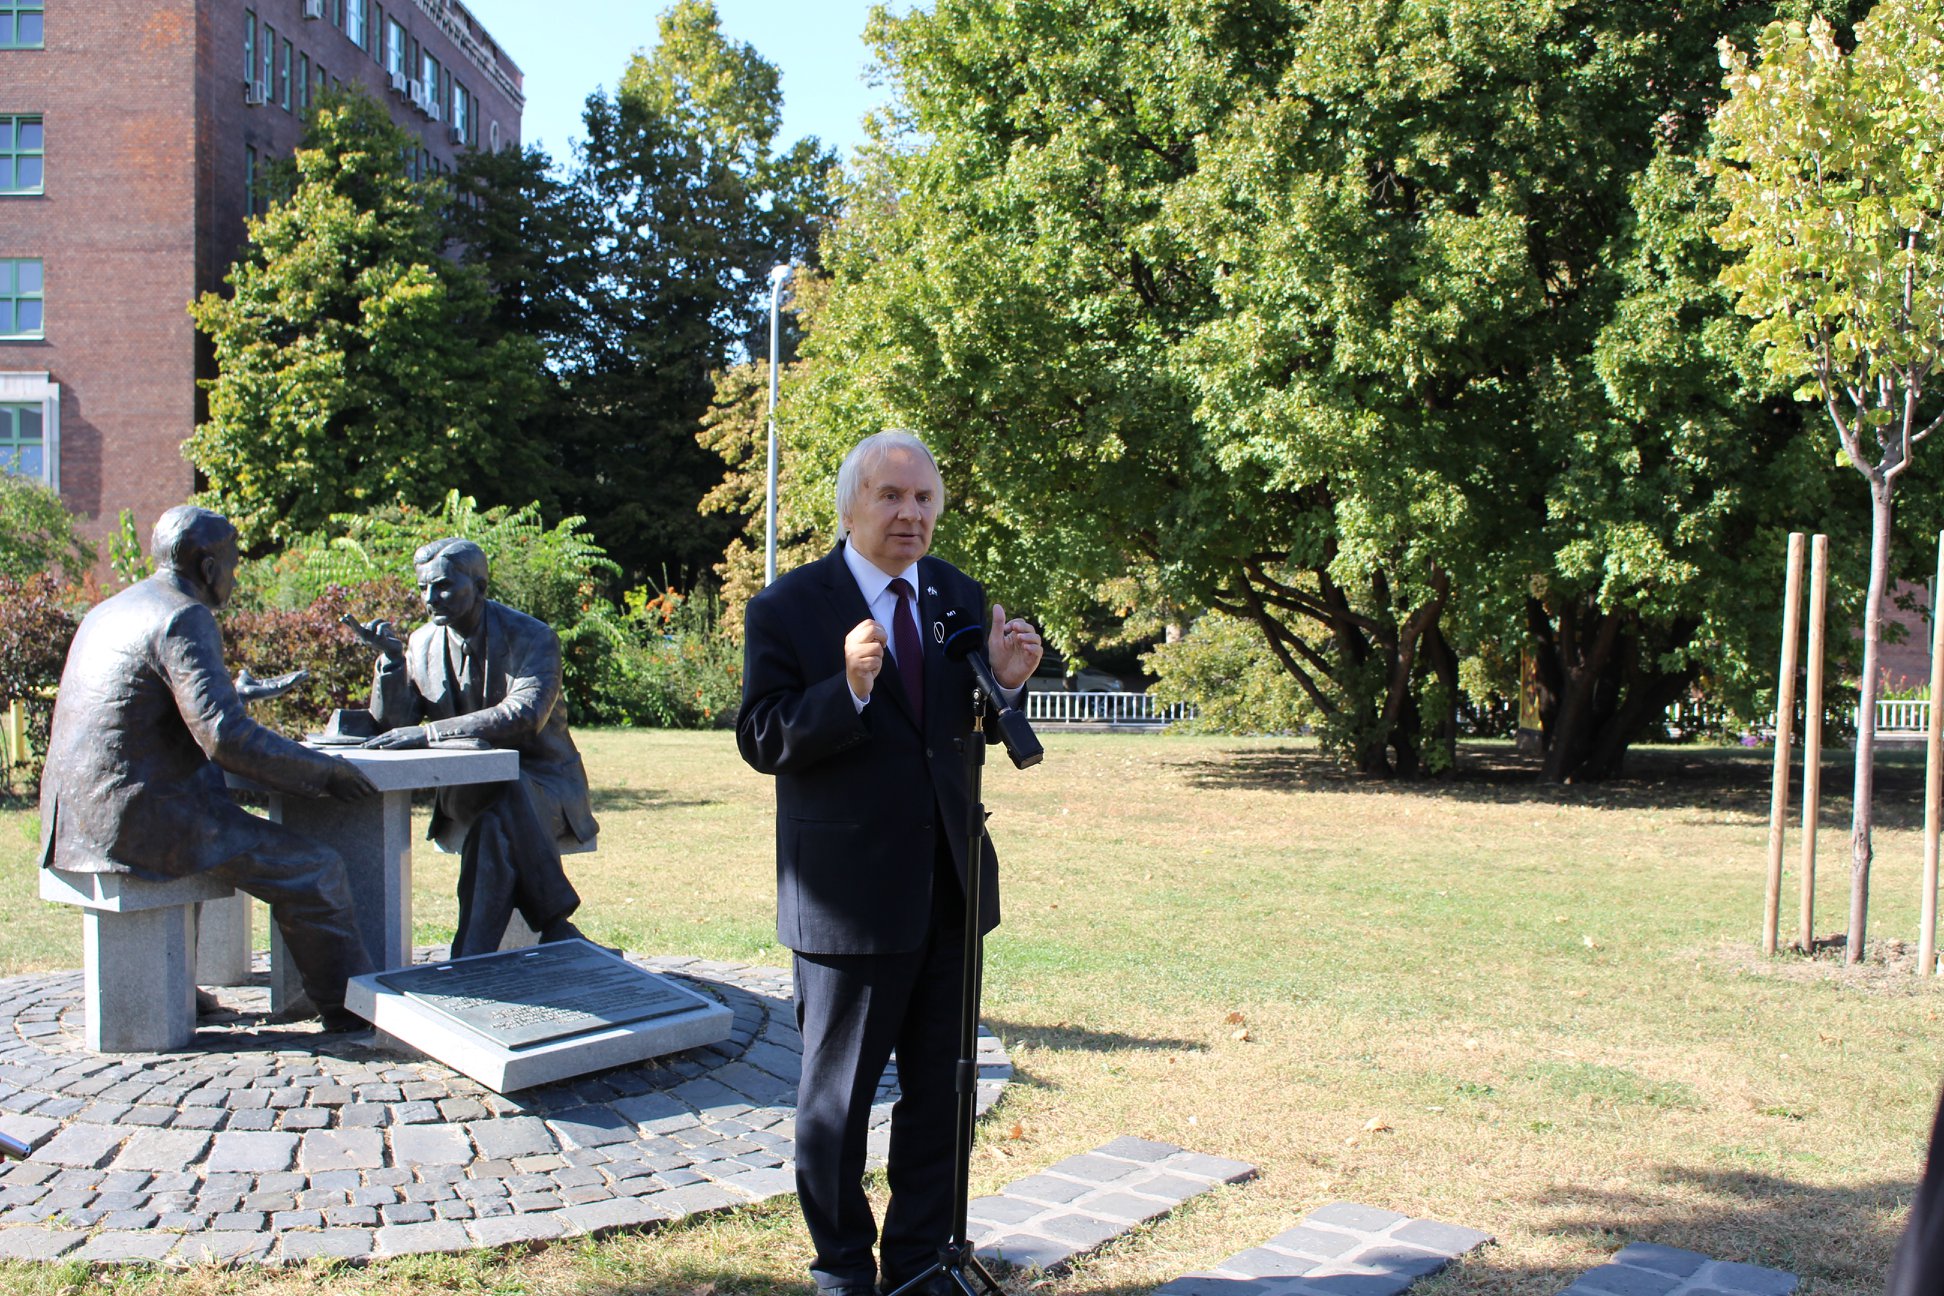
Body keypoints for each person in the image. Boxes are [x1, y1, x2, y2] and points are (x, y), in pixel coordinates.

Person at [737, 431, 1043, 1296]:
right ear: (850, 507)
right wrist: (848, 689)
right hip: (848, 899)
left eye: (924, 499)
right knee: (836, 1103)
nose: (911, 514)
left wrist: (1004, 684)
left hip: (950, 886)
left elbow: (958, 730)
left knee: (943, 1094)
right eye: (891, 496)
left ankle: (920, 1261)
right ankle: (842, 1268)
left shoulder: (956, 596)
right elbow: (761, 737)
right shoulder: (790, 606)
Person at [38, 505, 377, 1030]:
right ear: (208, 566)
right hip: (139, 817)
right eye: (233, 565)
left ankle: (180, 986)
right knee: (316, 868)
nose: (235, 578)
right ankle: (352, 1011)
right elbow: (225, 737)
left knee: (219, 840)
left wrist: (237, 696)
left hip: (75, 815)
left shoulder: (109, 609)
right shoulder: (183, 616)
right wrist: (325, 771)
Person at [356, 538, 598, 957]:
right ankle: (555, 923)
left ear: (480, 586)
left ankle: (469, 960)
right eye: (423, 588)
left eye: (444, 586)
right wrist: (392, 664)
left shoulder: (533, 637)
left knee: (499, 815)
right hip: (467, 789)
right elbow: (395, 725)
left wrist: (430, 734)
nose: (430, 598)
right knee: (503, 800)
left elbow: (524, 714)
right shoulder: (421, 643)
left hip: (545, 785)